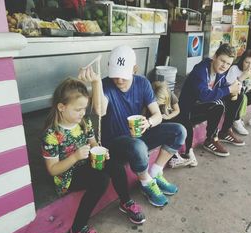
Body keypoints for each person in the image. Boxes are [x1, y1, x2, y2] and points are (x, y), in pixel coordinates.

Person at [41, 78, 145, 233]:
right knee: (101, 180)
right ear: (61, 107)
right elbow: (53, 170)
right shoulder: (52, 134)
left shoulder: (84, 122)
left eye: (84, 108)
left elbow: (94, 143)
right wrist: (74, 157)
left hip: (85, 163)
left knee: (115, 165)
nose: (83, 113)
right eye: (78, 109)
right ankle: (76, 231)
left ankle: (125, 202)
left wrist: (101, 151)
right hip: (66, 176)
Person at [80, 45, 187, 207]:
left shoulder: (142, 83)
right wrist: (95, 83)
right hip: (116, 143)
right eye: (116, 75)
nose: (119, 80)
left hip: (138, 136)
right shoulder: (105, 84)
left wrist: (148, 122)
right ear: (109, 68)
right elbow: (100, 111)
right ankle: (146, 183)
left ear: (134, 69)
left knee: (179, 131)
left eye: (124, 76)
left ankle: (156, 172)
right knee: (138, 146)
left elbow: (157, 115)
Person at [178, 43, 244, 158]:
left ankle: (225, 130)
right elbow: (204, 95)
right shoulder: (201, 70)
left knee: (240, 96)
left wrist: (234, 89)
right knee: (218, 104)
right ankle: (211, 139)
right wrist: (229, 89)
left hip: (202, 106)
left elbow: (224, 88)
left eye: (228, 64)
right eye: (222, 61)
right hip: (188, 110)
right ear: (214, 57)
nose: (224, 66)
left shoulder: (220, 74)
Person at [151, 79, 195, 168]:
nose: (160, 102)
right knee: (167, 131)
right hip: (157, 120)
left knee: (185, 122)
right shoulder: (150, 97)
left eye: (162, 99)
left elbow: (177, 110)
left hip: (169, 116)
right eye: (158, 100)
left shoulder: (170, 94)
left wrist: (168, 117)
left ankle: (189, 151)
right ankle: (174, 158)